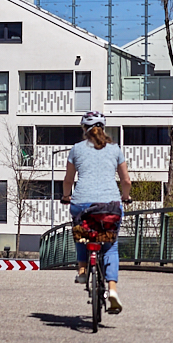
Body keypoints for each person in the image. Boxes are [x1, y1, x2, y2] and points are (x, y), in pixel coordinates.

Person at [61, 110, 131, 314]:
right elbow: (126, 181)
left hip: (83, 204)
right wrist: (125, 197)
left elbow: (68, 180)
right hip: (110, 205)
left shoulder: (76, 149)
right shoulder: (116, 149)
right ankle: (113, 290)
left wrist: (66, 196)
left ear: (84, 129)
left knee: (81, 230)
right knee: (110, 247)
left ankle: (82, 269)